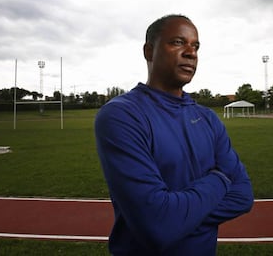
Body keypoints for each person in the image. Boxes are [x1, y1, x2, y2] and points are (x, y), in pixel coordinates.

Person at [95, 14, 254, 255]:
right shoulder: (122, 115)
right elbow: (157, 225)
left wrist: (176, 217)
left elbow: (243, 196)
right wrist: (220, 179)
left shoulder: (208, 119)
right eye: (178, 42)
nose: (191, 52)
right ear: (149, 51)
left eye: (196, 46)